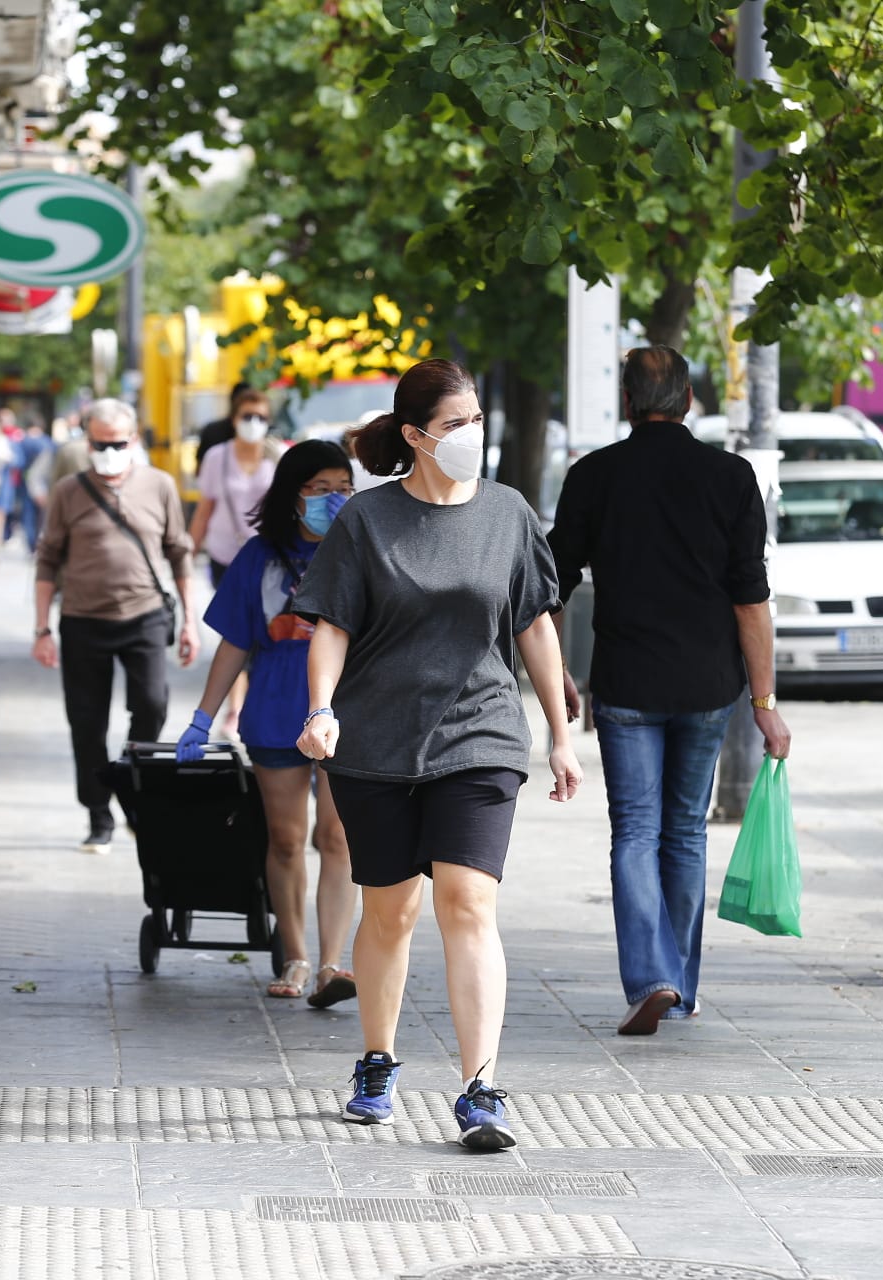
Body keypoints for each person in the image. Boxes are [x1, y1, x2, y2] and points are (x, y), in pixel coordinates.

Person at [292, 358, 580, 1151]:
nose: (473, 436)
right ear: (416, 436)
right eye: (456, 425)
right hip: (375, 740)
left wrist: (559, 732)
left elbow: (533, 625)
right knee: (392, 910)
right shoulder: (367, 520)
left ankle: (480, 1088)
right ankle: (377, 1060)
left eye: (478, 420)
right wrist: (321, 709)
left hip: (481, 733)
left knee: (468, 902)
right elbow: (333, 624)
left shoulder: (509, 514)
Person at [548, 346, 792, 1037]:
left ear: (628, 403)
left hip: (626, 682)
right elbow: (751, 598)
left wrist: (559, 671)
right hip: (708, 684)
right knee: (684, 832)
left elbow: (551, 587)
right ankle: (679, 985)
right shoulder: (730, 477)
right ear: (689, 401)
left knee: (634, 831)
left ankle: (647, 978)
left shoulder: (594, 476)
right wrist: (765, 705)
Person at [176, 441, 358, 1006]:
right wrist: (203, 718)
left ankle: (333, 964)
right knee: (284, 840)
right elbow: (235, 644)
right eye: (321, 489)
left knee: (336, 837)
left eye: (343, 487)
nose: (335, 499)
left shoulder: (362, 550)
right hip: (274, 709)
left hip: (347, 711)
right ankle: (297, 955)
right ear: (293, 493)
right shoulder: (258, 557)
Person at [33, 398, 199, 854]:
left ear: (135, 440)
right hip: (83, 621)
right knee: (86, 722)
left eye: (118, 442)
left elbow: (179, 553)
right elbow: (47, 559)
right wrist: (41, 628)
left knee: (152, 706)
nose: (110, 450)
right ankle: (98, 814)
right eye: (101, 443)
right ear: (88, 442)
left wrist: (190, 621)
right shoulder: (69, 490)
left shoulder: (159, 485)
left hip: (144, 615)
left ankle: (132, 790)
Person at [189, 387, 279, 587]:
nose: (254, 423)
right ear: (234, 419)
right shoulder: (216, 457)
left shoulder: (277, 456)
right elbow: (204, 511)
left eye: (261, 417)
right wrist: (190, 554)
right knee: (227, 617)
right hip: (224, 555)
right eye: (247, 416)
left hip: (267, 555)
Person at [11, 420, 56, 552]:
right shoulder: (48, 442)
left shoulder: (22, 442)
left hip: (26, 483)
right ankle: (39, 543)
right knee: (41, 517)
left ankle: (32, 545)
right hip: (44, 484)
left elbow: (17, 462)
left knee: (28, 515)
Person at [194, 381, 254, 464]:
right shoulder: (212, 432)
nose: (254, 422)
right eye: (247, 416)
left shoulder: (211, 430)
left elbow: (199, 468)